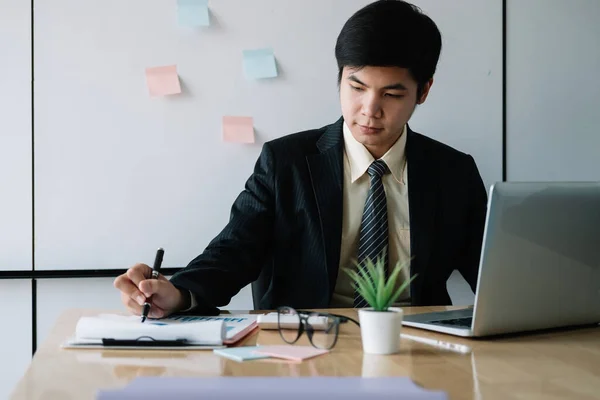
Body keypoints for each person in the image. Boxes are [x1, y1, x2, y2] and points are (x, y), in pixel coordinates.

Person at [114, 0, 487, 318]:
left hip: (419, 346)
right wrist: (177, 293)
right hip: (307, 346)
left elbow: (493, 276)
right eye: (356, 88)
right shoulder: (285, 162)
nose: (369, 110)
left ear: (423, 92)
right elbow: (233, 251)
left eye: (391, 94)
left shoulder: (453, 172)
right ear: (339, 79)